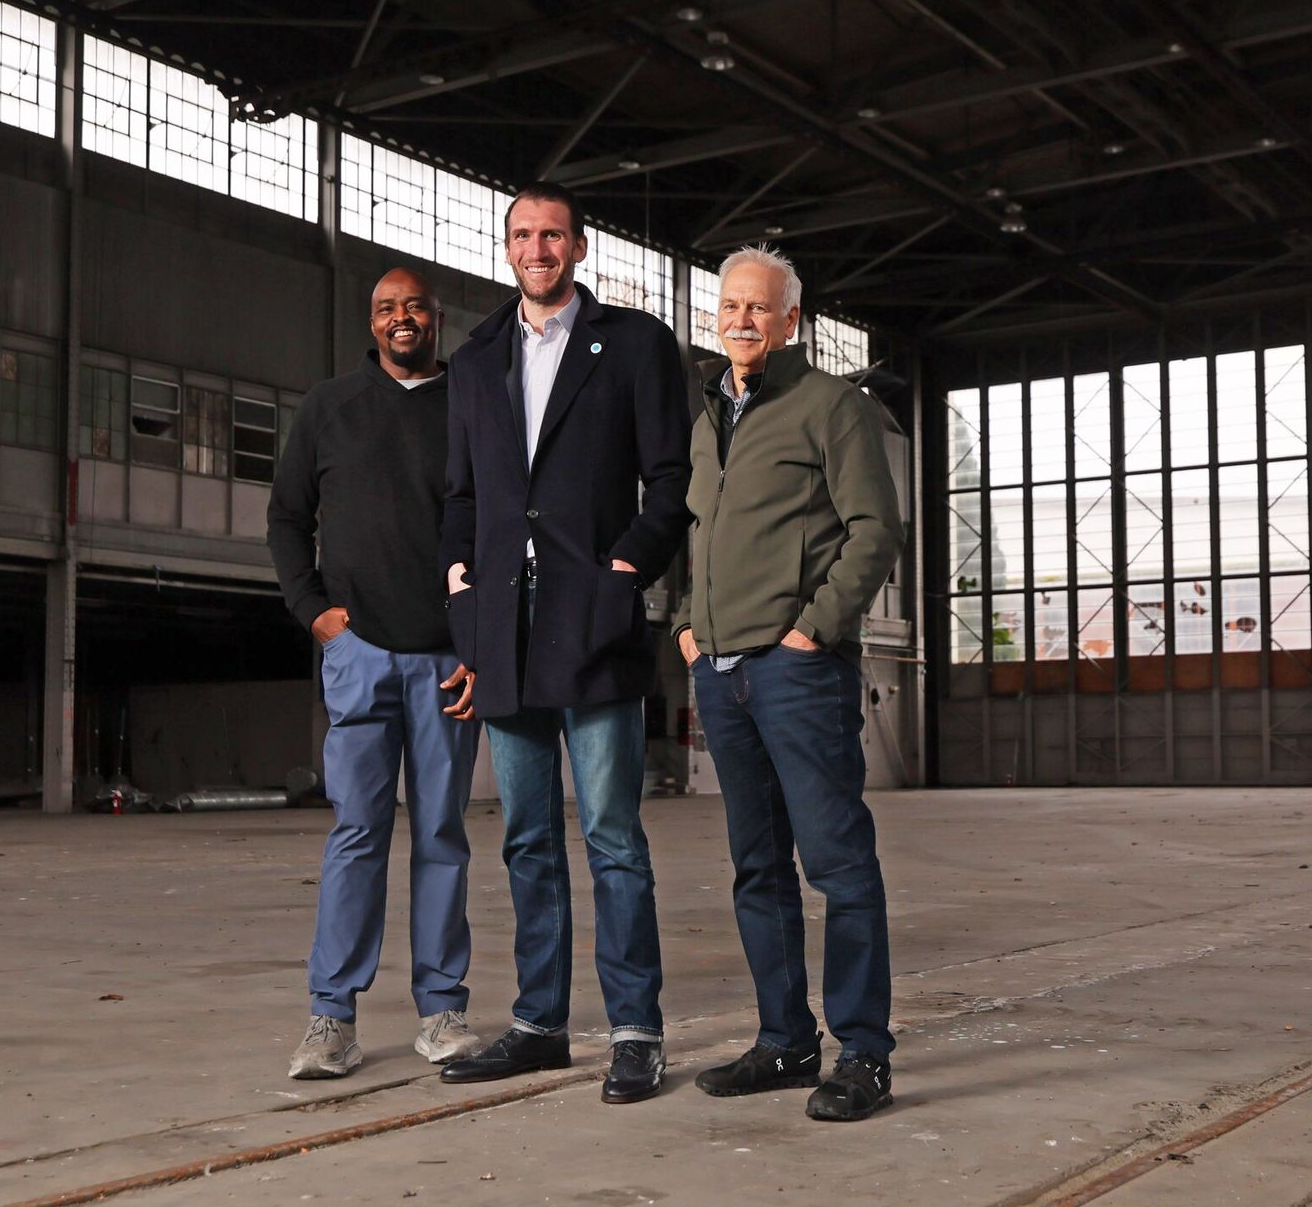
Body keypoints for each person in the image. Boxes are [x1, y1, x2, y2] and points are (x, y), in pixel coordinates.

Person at [435, 182, 692, 1105]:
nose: (536, 249)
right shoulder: (476, 358)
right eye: (521, 235)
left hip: (594, 615)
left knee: (613, 834)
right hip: (504, 622)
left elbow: (670, 479)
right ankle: (541, 1024)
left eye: (552, 235)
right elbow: (461, 493)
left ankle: (635, 1031)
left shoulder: (634, 345)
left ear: (579, 247)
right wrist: (459, 582)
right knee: (528, 838)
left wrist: (626, 568)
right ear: (506, 248)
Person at [676, 245, 905, 1122]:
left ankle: (864, 1053)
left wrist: (814, 630)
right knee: (757, 868)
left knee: (838, 863)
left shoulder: (830, 406)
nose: (741, 319)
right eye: (730, 306)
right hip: (720, 670)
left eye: (759, 307)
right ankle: (784, 1040)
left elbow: (874, 528)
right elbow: (700, 533)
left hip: (798, 672)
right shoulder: (709, 415)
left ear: (791, 320)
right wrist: (688, 626)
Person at [267, 268, 483, 1079]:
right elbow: (287, 517)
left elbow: (500, 526)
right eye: (388, 308)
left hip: (446, 660)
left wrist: (480, 644)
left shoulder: (470, 406)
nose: (402, 318)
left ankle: (442, 1009)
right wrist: (315, 613)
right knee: (356, 833)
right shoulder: (329, 407)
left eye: (415, 307)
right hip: (358, 657)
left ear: (436, 318)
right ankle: (331, 1018)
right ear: (373, 322)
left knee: (441, 834)